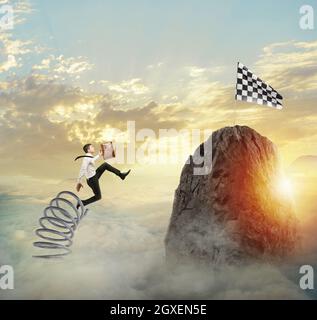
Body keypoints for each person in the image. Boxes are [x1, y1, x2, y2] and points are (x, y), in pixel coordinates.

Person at [76, 143, 130, 208]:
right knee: (98, 197)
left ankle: (121, 175)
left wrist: (99, 155)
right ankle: (82, 202)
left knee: (105, 165)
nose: (93, 148)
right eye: (92, 147)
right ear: (88, 150)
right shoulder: (86, 158)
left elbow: (92, 160)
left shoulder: (88, 157)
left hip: (94, 176)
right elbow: (83, 169)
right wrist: (79, 181)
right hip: (92, 180)